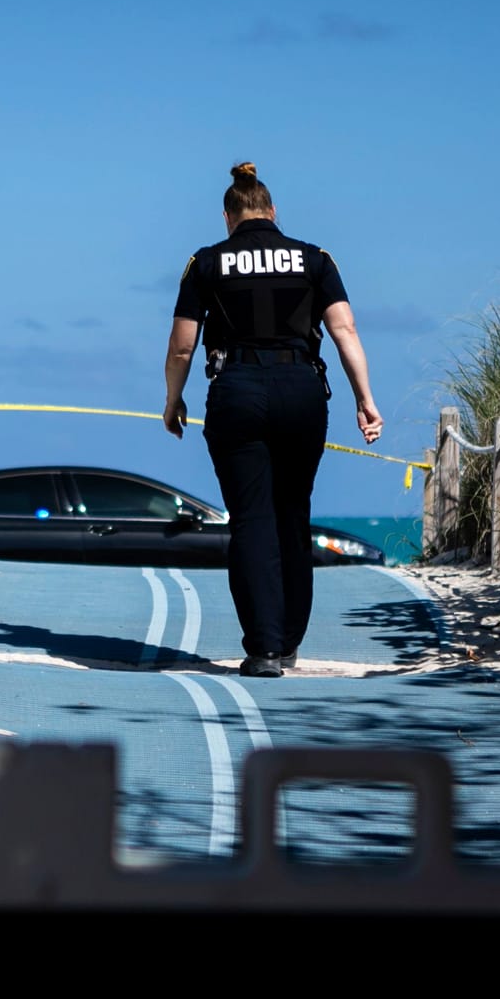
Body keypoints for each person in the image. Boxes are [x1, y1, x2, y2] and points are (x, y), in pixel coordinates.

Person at [163, 161, 382, 678]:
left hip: (237, 390)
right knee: (292, 514)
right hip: (302, 390)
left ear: (228, 216)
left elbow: (181, 346)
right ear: (273, 211)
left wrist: (173, 400)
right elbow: (344, 329)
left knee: (252, 518)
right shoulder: (314, 258)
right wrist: (364, 398)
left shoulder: (207, 262)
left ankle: (262, 648)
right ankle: (287, 643)